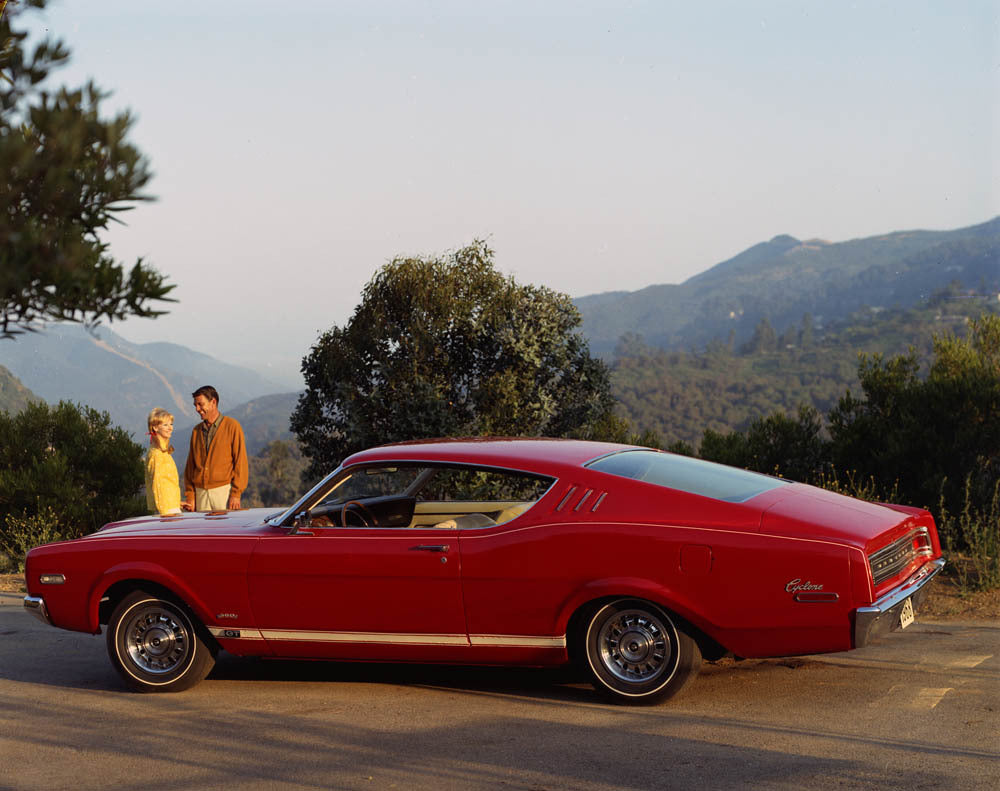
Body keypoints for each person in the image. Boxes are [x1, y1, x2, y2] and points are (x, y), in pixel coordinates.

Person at [182, 385, 248, 511]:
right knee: (202, 530)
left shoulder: (232, 427)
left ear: (213, 402)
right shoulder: (196, 431)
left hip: (223, 492)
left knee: (223, 530)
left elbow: (241, 463)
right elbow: (190, 466)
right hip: (200, 493)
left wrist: (236, 494)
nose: (197, 409)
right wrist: (190, 495)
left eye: (200, 404)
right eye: (195, 405)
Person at [145, 407, 182, 516]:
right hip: (167, 511)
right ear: (155, 427)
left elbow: (167, 483)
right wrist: (164, 512)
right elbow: (157, 485)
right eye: (165, 425)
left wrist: (177, 502)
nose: (170, 428)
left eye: (171, 424)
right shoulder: (156, 454)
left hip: (171, 506)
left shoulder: (163, 452)